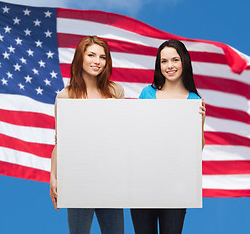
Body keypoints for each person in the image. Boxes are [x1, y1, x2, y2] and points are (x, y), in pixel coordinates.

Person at [50, 36, 125, 234]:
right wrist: (54, 178)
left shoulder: (115, 92)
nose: (97, 61)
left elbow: (122, 134)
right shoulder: (65, 96)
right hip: (78, 177)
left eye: (102, 57)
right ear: (80, 58)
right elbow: (60, 141)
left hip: (110, 176)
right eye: (91, 55)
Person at [130, 39, 206, 234]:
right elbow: (136, 138)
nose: (169, 66)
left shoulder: (194, 101)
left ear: (184, 63)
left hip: (175, 185)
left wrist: (201, 122)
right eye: (164, 61)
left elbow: (196, 149)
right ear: (159, 65)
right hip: (143, 183)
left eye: (175, 60)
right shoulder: (147, 93)